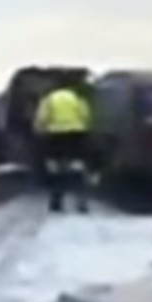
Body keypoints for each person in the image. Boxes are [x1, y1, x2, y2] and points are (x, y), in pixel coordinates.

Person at [33, 78, 93, 213]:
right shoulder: (77, 98)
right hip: (76, 136)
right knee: (77, 168)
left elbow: (42, 118)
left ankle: (56, 202)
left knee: (58, 170)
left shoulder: (49, 99)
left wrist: (40, 132)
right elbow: (86, 116)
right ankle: (82, 202)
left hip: (56, 137)